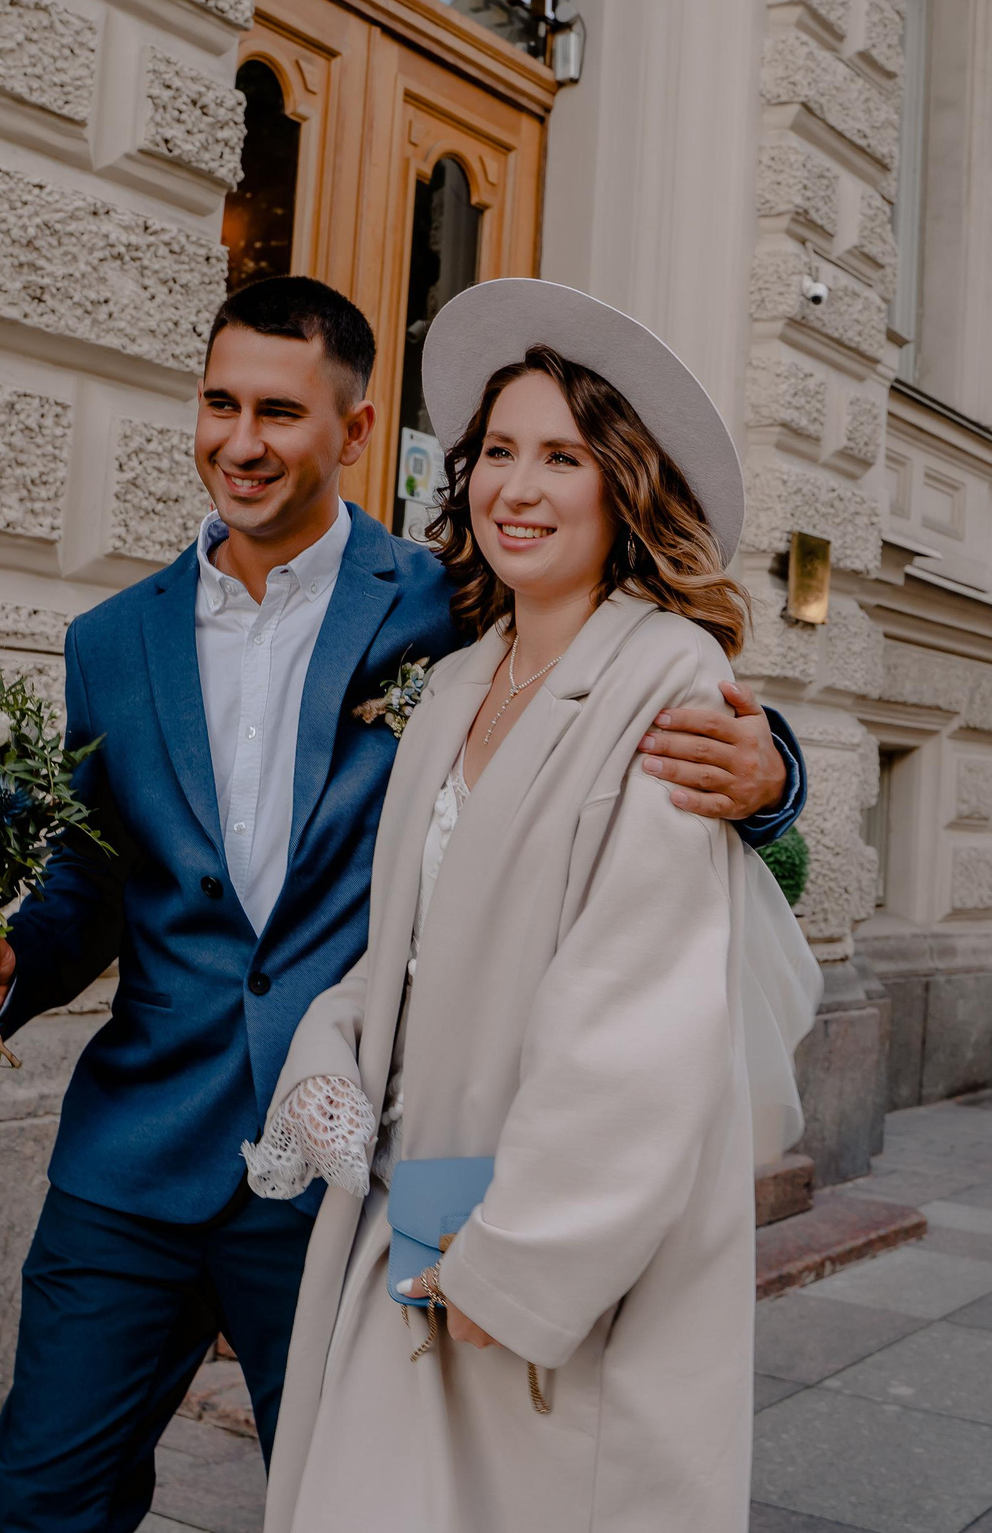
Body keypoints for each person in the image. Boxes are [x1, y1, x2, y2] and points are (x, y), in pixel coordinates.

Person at [0, 275, 810, 1533]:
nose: (241, 441)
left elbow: (640, 705)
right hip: (139, 1149)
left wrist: (773, 777)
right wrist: (10, 967)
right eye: (219, 404)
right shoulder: (110, 642)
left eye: (279, 412)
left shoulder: (452, 607)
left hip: (353, 1175)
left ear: (356, 430)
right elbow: (96, 877)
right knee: (43, 1502)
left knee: (364, 1500)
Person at [249, 280, 777, 1533]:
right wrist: (327, 1054)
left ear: (625, 486)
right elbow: (405, 950)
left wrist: (524, 1260)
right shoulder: (456, 685)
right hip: (408, 1213)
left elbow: (642, 1014)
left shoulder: (667, 675)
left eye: (561, 457)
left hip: (546, 1250)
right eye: (496, 452)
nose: (516, 489)